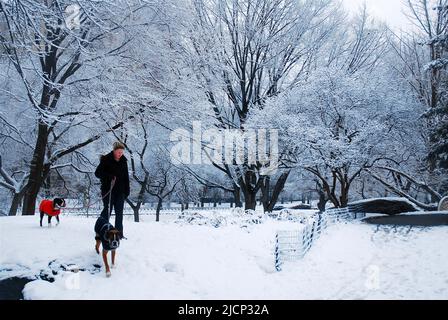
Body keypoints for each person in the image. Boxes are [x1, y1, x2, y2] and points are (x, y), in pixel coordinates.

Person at [95, 141, 130, 239]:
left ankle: (119, 234)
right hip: (108, 190)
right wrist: (109, 176)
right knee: (107, 210)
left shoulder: (124, 161)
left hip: (120, 191)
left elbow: (126, 177)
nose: (120, 154)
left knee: (119, 213)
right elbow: (97, 173)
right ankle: (102, 230)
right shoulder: (106, 159)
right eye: (119, 152)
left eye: (122, 152)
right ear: (114, 151)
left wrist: (127, 191)